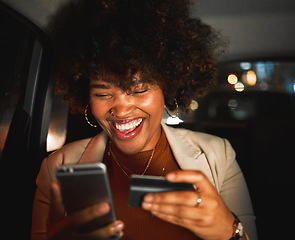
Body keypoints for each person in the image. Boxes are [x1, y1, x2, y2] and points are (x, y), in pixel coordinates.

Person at [31, 0, 257, 239]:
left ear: (168, 89)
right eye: (102, 93)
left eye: (138, 90)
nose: (121, 109)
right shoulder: (55, 169)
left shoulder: (219, 156)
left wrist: (230, 230)